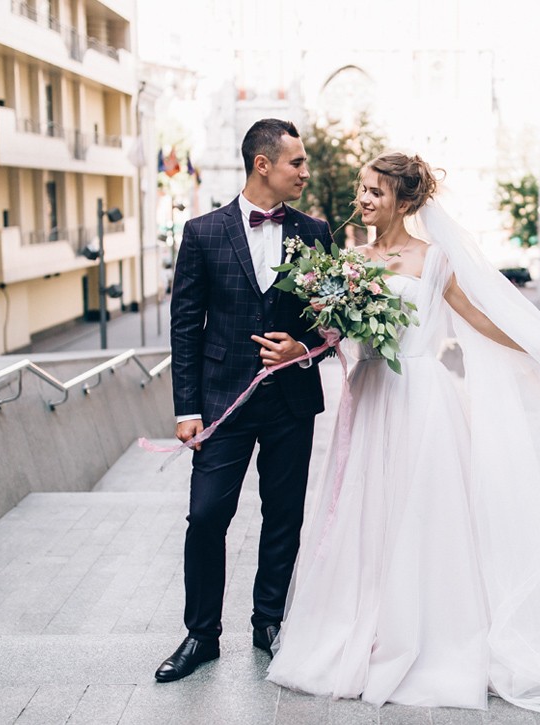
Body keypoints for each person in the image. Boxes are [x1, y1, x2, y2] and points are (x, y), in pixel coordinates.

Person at [266, 153, 540, 723]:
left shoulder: (434, 260)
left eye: (375, 193)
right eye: (361, 190)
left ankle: (433, 635)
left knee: (425, 515)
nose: (362, 200)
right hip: (372, 394)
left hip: (423, 398)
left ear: (404, 202)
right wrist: (302, 347)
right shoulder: (349, 259)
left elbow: (478, 318)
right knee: (368, 511)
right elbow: (333, 332)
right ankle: (363, 628)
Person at [155, 119, 334, 683]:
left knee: (284, 516)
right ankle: (200, 636)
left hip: (291, 404)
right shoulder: (203, 232)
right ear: (264, 165)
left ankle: (270, 623)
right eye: (296, 163)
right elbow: (185, 328)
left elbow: (333, 327)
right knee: (206, 516)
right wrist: (187, 410)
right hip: (220, 406)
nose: (306, 172)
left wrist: (300, 349)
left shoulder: (316, 232)